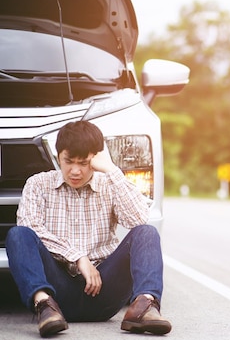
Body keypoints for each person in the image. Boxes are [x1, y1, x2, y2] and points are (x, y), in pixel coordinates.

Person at [6, 120, 172, 337]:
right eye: (69, 161)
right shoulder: (38, 184)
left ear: (95, 158)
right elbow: (30, 226)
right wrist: (78, 258)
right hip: (57, 292)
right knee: (18, 234)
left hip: (105, 289)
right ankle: (43, 307)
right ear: (58, 157)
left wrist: (111, 169)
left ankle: (145, 308)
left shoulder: (108, 184)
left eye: (83, 163)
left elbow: (139, 218)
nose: (75, 171)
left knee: (146, 233)